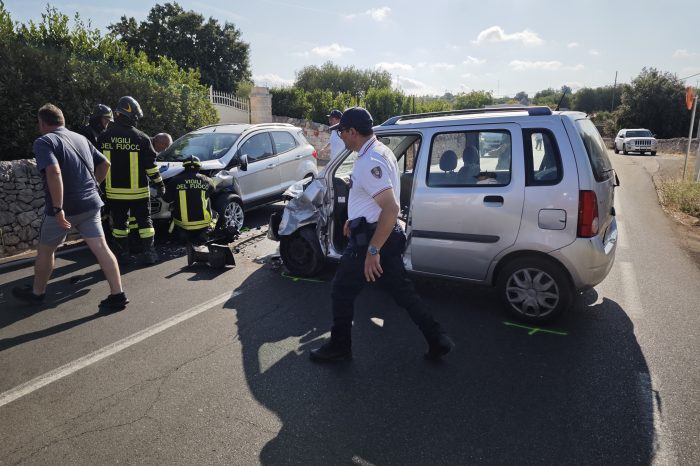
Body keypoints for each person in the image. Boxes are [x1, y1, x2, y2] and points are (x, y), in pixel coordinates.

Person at [309, 107, 454, 363]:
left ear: (352, 131)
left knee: (341, 290)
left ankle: (340, 347)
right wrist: (353, 219)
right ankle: (437, 338)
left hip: (372, 241)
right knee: (403, 293)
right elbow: (375, 195)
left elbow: (390, 207)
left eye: (341, 131)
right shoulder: (380, 150)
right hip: (383, 233)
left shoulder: (368, 162)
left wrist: (373, 251)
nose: (340, 136)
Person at [12, 104, 128, 310]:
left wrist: (57, 209)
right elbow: (105, 164)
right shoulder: (80, 138)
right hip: (91, 204)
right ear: (62, 120)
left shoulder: (44, 141)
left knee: (46, 250)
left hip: (65, 209)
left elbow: (54, 172)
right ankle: (118, 295)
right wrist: (93, 186)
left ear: (42, 122)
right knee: (101, 248)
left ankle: (37, 293)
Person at [97, 96, 166, 265]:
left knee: (120, 225)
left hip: (114, 193)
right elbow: (151, 168)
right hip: (139, 193)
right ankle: (149, 254)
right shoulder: (141, 138)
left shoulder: (104, 137)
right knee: (145, 224)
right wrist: (160, 184)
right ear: (132, 115)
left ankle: (123, 256)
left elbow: (97, 164)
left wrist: (99, 187)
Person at [162, 155, 215, 244]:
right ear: (199, 167)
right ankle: (205, 233)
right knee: (215, 214)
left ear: (184, 167)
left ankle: (178, 234)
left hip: (182, 225)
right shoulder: (208, 180)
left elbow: (167, 199)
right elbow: (212, 191)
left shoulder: (174, 181)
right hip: (203, 224)